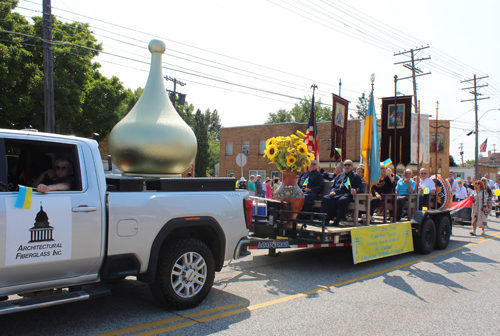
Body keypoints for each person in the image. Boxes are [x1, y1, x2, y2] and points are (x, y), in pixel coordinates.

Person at [319, 159, 362, 226]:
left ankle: (338, 219)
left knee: (341, 201)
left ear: (352, 166)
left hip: (347, 194)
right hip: (337, 193)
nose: (347, 166)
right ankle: (324, 220)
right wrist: (332, 191)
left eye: (349, 165)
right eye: (345, 165)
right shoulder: (340, 175)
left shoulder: (356, 176)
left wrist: (355, 190)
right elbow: (333, 186)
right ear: (343, 166)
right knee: (326, 198)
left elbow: (359, 188)